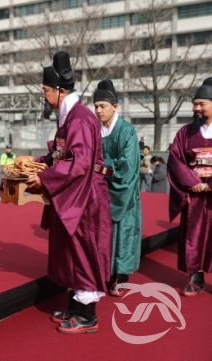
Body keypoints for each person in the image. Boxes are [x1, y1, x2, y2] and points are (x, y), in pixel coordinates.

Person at [26, 51, 112, 334]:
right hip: (74, 193)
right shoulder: (69, 117)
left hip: (85, 196)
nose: (44, 94)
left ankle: (88, 315)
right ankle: (76, 305)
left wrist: (44, 177)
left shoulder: (80, 119)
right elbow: (63, 154)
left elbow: (79, 162)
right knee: (71, 252)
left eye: (46, 90)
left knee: (83, 251)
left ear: (59, 90)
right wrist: (38, 163)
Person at [93, 80, 142, 297]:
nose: (98, 110)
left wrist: (101, 169)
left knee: (122, 234)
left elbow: (126, 167)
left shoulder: (127, 131)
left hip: (124, 193)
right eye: (96, 106)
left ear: (115, 106)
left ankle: (120, 277)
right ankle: (103, 273)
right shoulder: (95, 130)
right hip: (100, 193)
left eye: (103, 106)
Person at [167, 77, 212, 297]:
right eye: (195, 104)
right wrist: (193, 182)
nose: (196, 108)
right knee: (194, 236)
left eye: (201, 103)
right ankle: (196, 277)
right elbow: (175, 160)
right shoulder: (185, 133)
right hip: (195, 197)